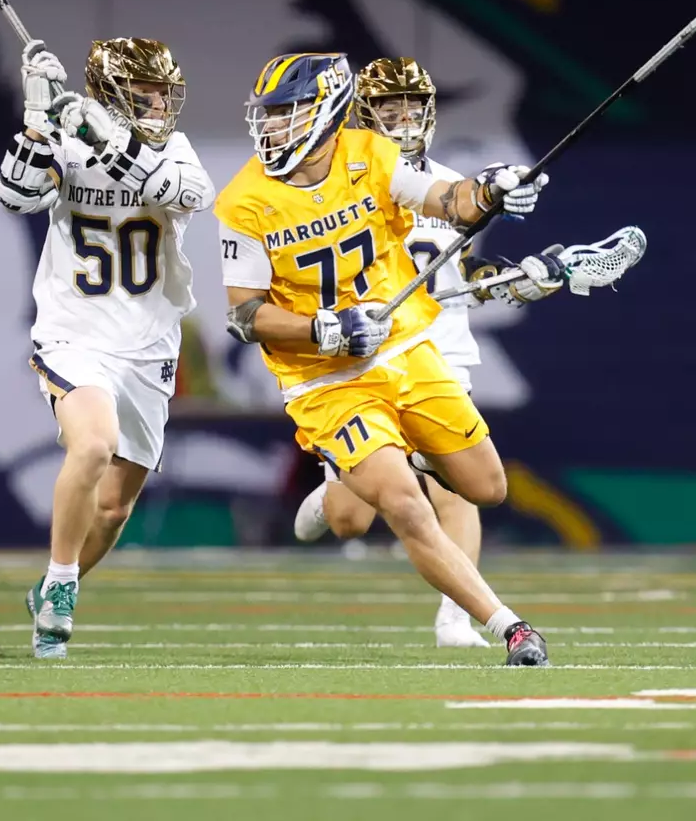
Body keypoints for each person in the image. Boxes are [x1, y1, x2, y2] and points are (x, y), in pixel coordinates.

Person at [215, 52, 564, 666]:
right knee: (401, 503)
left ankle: (396, 456)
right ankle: (510, 628)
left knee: (486, 487)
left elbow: (447, 201)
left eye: (285, 115)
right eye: (267, 117)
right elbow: (244, 315)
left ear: (323, 114)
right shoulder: (244, 200)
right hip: (325, 379)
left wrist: (491, 189)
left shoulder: (370, 156)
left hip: (405, 348)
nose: (271, 129)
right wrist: (319, 329)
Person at [0, 37, 214, 658]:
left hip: (147, 343)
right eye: (146, 92)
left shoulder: (174, 148)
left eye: (163, 92)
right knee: (93, 444)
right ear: (114, 94)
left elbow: (188, 196)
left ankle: (49, 583)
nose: (159, 104)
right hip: (75, 331)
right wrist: (37, 126)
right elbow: (14, 198)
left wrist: (110, 142)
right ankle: (62, 590)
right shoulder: (66, 142)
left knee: (115, 508)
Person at [294, 57, 521, 646]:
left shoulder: (448, 184)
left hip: (438, 345)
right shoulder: (343, 183)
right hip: (367, 357)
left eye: (412, 107)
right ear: (363, 115)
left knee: (459, 488)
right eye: (388, 109)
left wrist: (510, 275)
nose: (403, 119)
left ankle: (457, 616)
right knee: (350, 521)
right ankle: (333, 491)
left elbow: (465, 267)